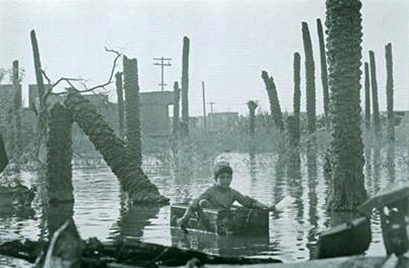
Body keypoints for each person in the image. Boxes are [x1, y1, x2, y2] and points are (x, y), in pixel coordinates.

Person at [177, 161, 274, 226]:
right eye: (222, 178)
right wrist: (185, 217)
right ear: (216, 179)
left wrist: (266, 206)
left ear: (231, 179)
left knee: (243, 209)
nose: (225, 180)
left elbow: (248, 202)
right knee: (202, 202)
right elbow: (195, 201)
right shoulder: (211, 191)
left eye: (228, 177)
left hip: (225, 219)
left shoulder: (232, 193)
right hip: (212, 218)